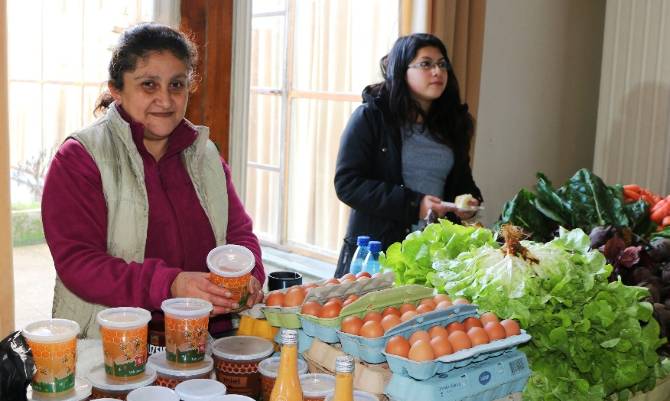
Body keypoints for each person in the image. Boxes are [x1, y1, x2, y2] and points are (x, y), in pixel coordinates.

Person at [41, 23, 265, 338]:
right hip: (115, 344)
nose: (166, 100)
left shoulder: (205, 155)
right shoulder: (80, 158)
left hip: (207, 340)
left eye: (176, 85)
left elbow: (239, 233)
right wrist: (170, 284)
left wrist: (249, 274)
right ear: (117, 90)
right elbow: (78, 263)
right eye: (149, 85)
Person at [334, 33, 482, 277]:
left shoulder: (454, 125)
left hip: (433, 257)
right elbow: (347, 184)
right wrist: (415, 204)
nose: (437, 72)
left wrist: (469, 203)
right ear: (402, 70)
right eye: (426, 64)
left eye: (442, 64)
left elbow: (462, 184)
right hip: (376, 255)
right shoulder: (371, 117)